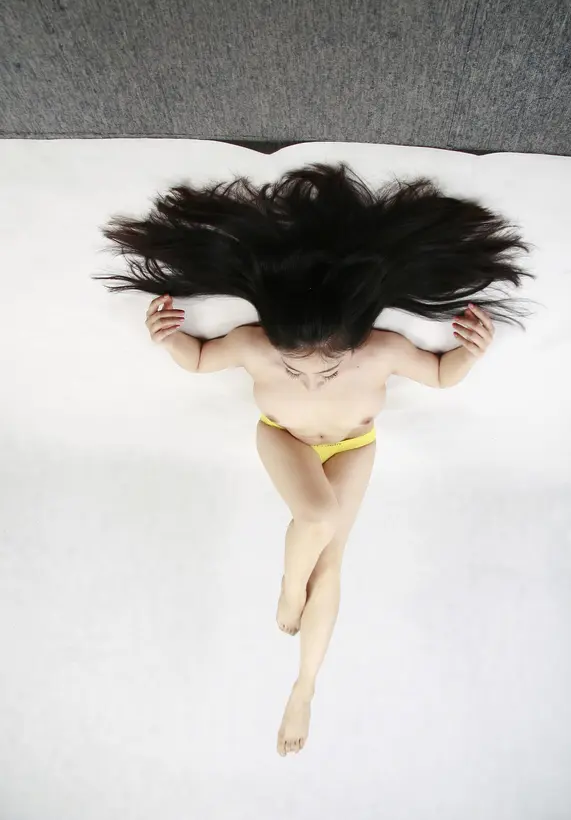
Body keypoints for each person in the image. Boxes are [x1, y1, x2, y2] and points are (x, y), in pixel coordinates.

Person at [94, 161, 536, 755]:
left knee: (332, 563)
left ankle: (303, 689)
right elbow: (198, 360)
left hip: (353, 445)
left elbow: (437, 373)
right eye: (292, 366)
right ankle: (288, 586)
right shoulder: (254, 344)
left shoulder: (380, 351)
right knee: (318, 517)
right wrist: (168, 336)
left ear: (352, 344)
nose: (307, 380)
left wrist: (469, 355)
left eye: (325, 370)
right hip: (285, 439)